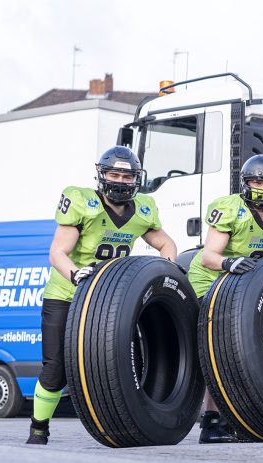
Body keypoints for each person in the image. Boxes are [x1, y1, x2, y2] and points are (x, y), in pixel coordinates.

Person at [26, 146, 177, 445]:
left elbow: (167, 245)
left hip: (109, 301)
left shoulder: (143, 209)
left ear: (136, 179)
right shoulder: (84, 203)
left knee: (126, 361)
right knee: (56, 368)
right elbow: (57, 252)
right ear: (102, 175)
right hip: (67, 293)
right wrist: (75, 273)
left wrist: (167, 268)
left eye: (126, 175)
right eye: (114, 174)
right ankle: (38, 427)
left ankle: (129, 420)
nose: (120, 181)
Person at [188, 154, 263, 444]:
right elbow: (208, 256)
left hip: (246, 291)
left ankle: (244, 419)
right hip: (212, 284)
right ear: (244, 183)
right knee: (221, 353)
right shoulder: (230, 209)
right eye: (256, 181)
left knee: (248, 353)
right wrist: (229, 264)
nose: (261, 188)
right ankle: (211, 421)